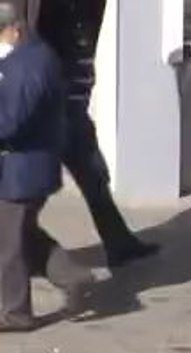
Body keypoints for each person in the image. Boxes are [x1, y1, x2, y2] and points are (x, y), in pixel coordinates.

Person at [37, 0, 157, 268]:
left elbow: (81, 46)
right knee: (28, 194)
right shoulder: (56, 10)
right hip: (57, 99)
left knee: (93, 176)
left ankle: (119, 243)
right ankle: (42, 257)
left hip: (71, 98)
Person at [0, 2, 94, 332]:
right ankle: (74, 276)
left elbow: (10, 122)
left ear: (15, 30)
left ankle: (16, 313)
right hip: (25, 167)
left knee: (7, 244)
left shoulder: (27, 65)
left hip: (22, 171)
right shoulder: (26, 59)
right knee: (23, 235)